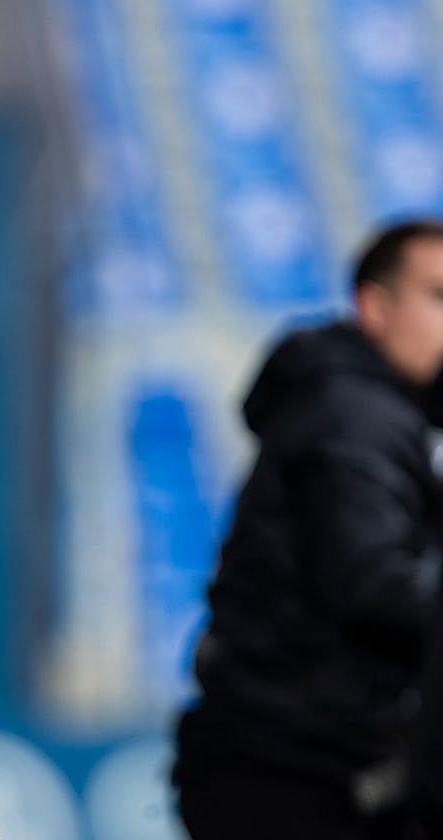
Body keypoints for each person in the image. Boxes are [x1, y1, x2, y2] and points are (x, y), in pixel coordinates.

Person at [174, 220, 443, 839]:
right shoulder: (355, 415)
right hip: (296, 771)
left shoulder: (370, 408)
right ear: (375, 306)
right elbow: (373, 583)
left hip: (274, 756)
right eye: (436, 295)